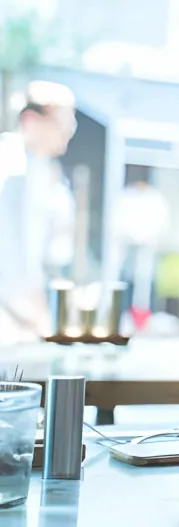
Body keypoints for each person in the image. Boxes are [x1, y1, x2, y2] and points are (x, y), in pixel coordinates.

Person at [0, 81, 77, 342]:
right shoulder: (11, 168)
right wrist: (35, 317)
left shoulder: (47, 174)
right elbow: (16, 255)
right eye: (64, 120)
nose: (69, 131)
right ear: (31, 119)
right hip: (12, 323)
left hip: (26, 320)